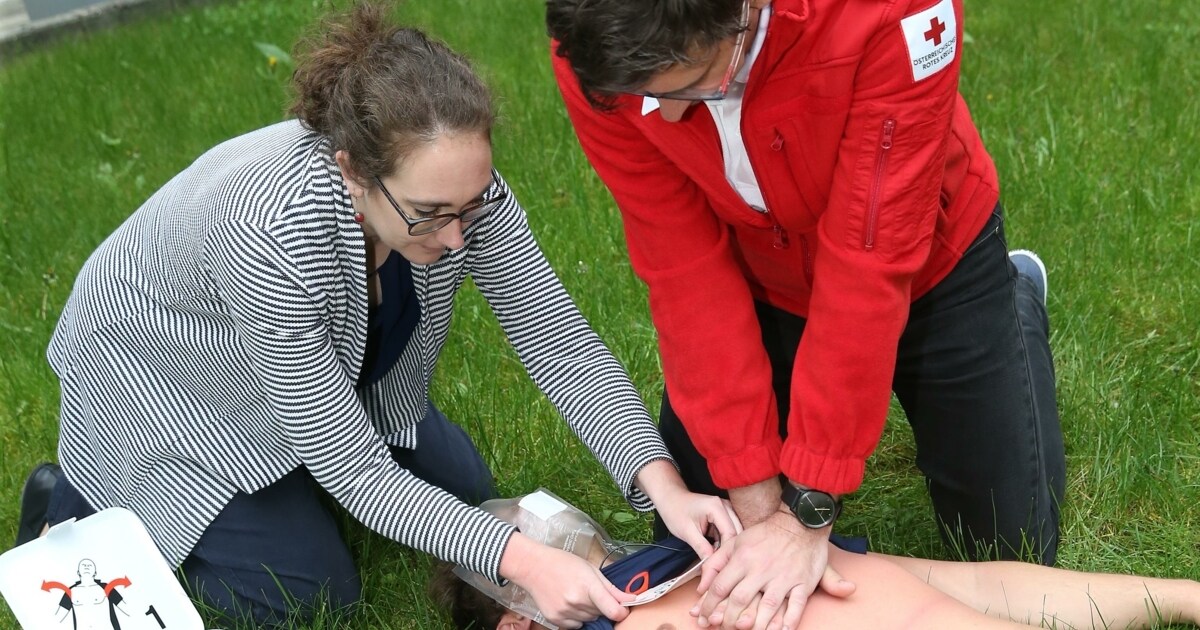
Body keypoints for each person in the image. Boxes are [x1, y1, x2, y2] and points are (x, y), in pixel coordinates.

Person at [11, 3, 738, 627]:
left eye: (471, 205)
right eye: (429, 217)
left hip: (311, 379)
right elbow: (354, 469)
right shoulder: (271, 234)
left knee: (466, 500)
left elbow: (560, 346)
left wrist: (662, 487)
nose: (457, 237)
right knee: (305, 592)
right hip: (165, 377)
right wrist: (526, 564)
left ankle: (290, 475)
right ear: (352, 170)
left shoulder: (454, 191)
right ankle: (73, 500)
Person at [546, 0, 1065, 627]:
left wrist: (809, 509)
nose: (672, 114)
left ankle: (1012, 302)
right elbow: (685, 271)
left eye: (693, 86)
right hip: (762, 274)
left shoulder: (896, 12)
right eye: (650, 96)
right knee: (700, 539)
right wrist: (759, 504)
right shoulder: (598, 47)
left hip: (931, 260)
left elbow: (868, 265)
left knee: (1012, 542)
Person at [433, 494, 1200, 630]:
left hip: (844, 584)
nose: (555, 524)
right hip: (870, 608)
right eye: (528, 544)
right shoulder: (614, 616)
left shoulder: (672, 554)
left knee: (973, 585)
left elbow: (973, 583)